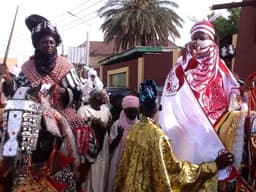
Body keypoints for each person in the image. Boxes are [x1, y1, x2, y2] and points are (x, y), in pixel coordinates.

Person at [0, 14, 98, 191]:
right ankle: (14, 172)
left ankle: (74, 173)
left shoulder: (65, 65)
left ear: (56, 43)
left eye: (52, 42)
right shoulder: (27, 67)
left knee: (80, 132)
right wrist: (9, 83)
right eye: (45, 42)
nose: (49, 45)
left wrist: (62, 91)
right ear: (37, 44)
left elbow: (77, 94)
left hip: (61, 108)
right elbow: (18, 90)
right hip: (32, 110)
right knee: (10, 128)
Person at [113, 80, 234, 192]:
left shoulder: (135, 129)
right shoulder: (158, 137)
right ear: (160, 108)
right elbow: (173, 174)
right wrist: (213, 166)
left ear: (140, 110)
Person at [78, 87, 112, 192]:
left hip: (103, 148)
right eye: (104, 94)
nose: (106, 97)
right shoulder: (83, 111)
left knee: (101, 171)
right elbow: (79, 131)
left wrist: (102, 127)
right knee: (90, 173)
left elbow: (108, 128)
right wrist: (92, 124)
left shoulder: (106, 111)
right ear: (97, 96)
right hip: (89, 148)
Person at [107, 95, 140, 192]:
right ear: (125, 110)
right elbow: (110, 147)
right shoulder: (117, 124)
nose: (133, 113)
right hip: (118, 160)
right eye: (130, 111)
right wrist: (119, 136)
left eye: (135, 111)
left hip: (134, 160)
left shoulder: (139, 125)